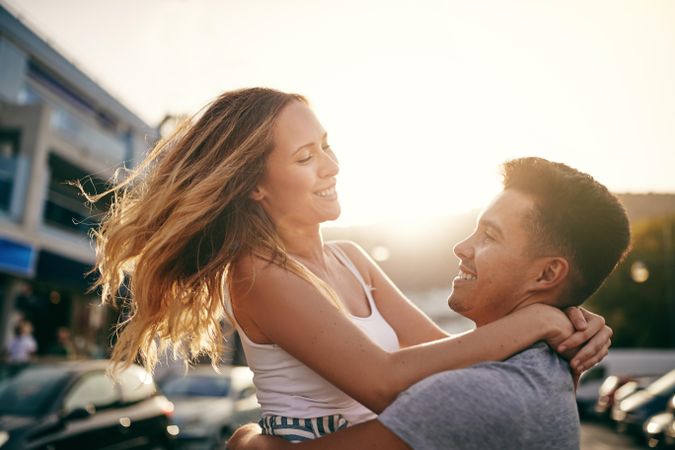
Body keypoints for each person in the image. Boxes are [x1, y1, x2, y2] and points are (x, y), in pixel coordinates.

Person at [87, 88, 611, 441]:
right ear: (255, 185)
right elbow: (382, 381)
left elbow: (445, 355)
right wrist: (539, 320)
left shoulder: (353, 260)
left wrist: (572, 323)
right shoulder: (256, 274)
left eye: (327, 146)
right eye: (305, 157)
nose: (332, 166)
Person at [227, 157, 631, 450]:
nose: (462, 246)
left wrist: (247, 441)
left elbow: (387, 380)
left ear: (546, 276)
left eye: (489, 236)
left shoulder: (474, 397)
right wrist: (546, 317)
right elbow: (437, 353)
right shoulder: (543, 365)